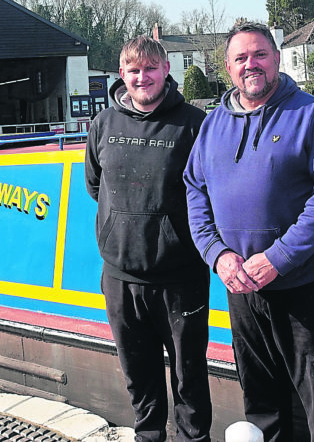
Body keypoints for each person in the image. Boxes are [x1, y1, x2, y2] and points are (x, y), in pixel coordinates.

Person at [184, 22, 314, 442]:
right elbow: (194, 189)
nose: (251, 65)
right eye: (240, 58)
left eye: (259, 54)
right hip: (241, 288)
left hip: (306, 287)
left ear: (277, 58)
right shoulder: (212, 126)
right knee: (260, 400)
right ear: (228, 68)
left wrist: (279, 258)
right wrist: (217, 255)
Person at [85, 35, 212, 442]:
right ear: (122, 74)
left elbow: (210, 191)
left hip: (181, 277)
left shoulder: (194, 123)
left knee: (189, 374)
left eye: (150, 68)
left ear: (166, 70)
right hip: (121, 277)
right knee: (138, 374)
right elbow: (95, 185)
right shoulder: (103, 124)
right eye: (134, 70)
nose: (143, 77)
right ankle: (149, 436)